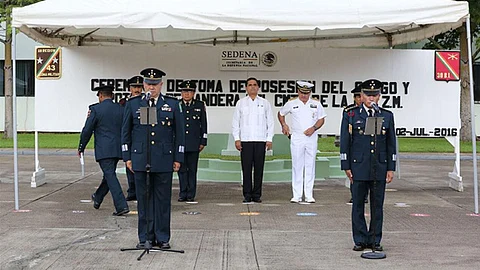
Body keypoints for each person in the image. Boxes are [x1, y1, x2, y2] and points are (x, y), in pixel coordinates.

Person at [121, 68, 185, 250]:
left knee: (163, 201)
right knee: (144, 200)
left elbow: (179, 134)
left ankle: (162, 237)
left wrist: (178, 157)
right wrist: (127, 156)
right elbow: (125, 132)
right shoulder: (134, 104)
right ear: (143, 85)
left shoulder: (171, 104)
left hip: (164, 159)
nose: (152, 87)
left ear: (161, 85)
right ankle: (145, 237)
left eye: (155, 84)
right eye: (148, 83)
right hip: (141, 158)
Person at [339, 79, 396, 252]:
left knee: (377, 205)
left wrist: (391, 167)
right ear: (361, 96)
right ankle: (360, 239)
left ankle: (375, 239)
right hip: (359, 166)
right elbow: (345, 141)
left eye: (375, 95)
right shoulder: (351, 114)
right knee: (358, 204)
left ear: (379, 96)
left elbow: (391, 143)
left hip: (379, 165)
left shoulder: (386, 115)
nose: (371, 98)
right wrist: (346, 165)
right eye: (368, 95)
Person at [78, 85, 129, 216]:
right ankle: (98, 196)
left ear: (100, 95)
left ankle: (121, 205)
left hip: (104, 149)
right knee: (109, 174)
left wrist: (81, 147)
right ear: (111, 96)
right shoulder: (121, 109)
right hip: (117, 149)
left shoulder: (95, 109)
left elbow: (87, 130)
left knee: (110, 176)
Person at [278, 81, 327, 203]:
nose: (304, 95)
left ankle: (309, 195)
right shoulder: (292, 103)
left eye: (307, 93)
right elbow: (281, 113)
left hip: (311, 137)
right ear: (298, 91)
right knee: (297, 165)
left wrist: (314, 128)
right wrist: (284, 125)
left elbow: (321, 119)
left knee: (310, 165)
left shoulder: (316, 104)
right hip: (297, 136)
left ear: (310, 92)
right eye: (302, 93)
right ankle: (297, 195)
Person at [232, 77, 274, 203]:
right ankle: (247, 194)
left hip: (260, 140)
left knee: (259, 169)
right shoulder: (241, 103)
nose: (252, 87)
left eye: (255, 85)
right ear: (246, 88)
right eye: (250, 85)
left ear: (258, 87)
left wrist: (269, 139)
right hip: (246, 140)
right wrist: (237, 139)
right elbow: (235, 122)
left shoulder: (265, 103)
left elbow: (270, 122)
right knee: (246, 169)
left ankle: (257, 195)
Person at [177, 80, 208, 203]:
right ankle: (182, 192)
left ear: (194, 93)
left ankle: (191, 194)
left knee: (192, 169)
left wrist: (203, 141)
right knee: (181, 170)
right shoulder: (177, 104)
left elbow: (203, 124)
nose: (187, 94)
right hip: (180, 143)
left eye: (189, 91)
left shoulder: (199, 105)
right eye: (184, 91)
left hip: (194, 143)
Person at [121, 75, 144, 201]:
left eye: (139, 87)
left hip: (139, 138)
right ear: (130, 88)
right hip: (128, 138)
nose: (137, 90)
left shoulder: (145, 102)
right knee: (129, 165)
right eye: (134, 87)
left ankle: (138, 191)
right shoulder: (124, 103)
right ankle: (132, 190)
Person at [345, 85, 368, 204]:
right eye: (356, 96)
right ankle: (355, 195)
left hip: (367, 145)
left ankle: (365, 196)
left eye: (360, 96)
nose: (359, 99)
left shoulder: (372, 111)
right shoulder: (349, 112)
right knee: (354, 174)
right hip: (354, 145)